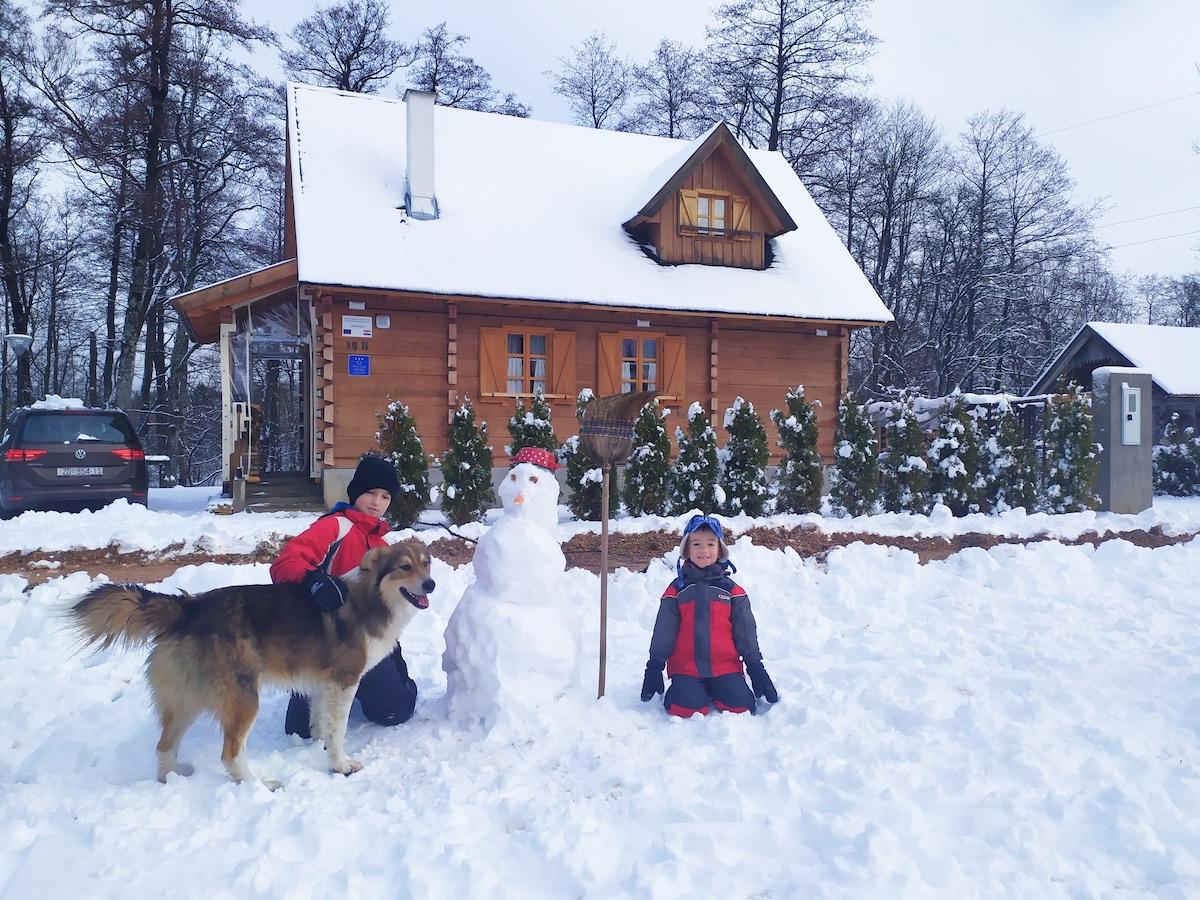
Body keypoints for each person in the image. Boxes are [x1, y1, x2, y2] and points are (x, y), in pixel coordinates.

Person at [271, 454, 419, 738]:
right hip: (319, 638)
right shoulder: (335, 526)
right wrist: (313, 581)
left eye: (385, 496)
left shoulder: (383, 546)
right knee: (299, 732)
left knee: (394, 712)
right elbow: (284, 565)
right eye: (370, 493)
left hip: (365, 641)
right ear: (355, 493)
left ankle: (391, 679)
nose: (377, 502)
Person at [639, 513, 779, 717]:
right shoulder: (677, 591)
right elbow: (664, 631)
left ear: (720, 550)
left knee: (741, 707)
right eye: (696, 544)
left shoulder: (732, 591)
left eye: (711, 544)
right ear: (686, 549)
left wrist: (755, 668)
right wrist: (654, 666)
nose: (703, 550)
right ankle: (686, 688)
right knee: (683, 709)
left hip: (725, 666)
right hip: (686, 667)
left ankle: (719, 687)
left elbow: (745, 632)